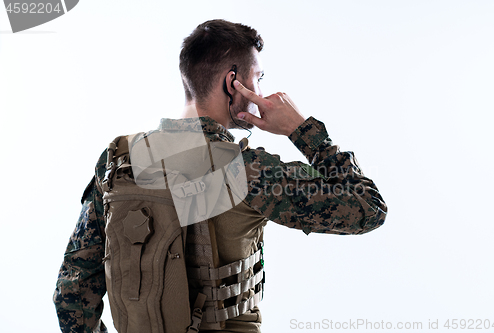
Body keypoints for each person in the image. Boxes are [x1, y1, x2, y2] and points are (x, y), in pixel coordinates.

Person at [54, 19, 387, 333]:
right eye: (258, 78)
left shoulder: (118, 160)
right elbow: (369, 208)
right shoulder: (250, 171)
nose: (260, 91)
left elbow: (72, 289)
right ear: (233, 82)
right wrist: (302, 130)